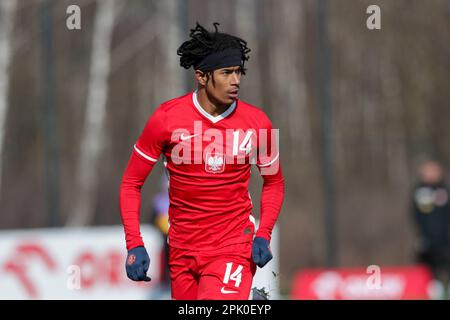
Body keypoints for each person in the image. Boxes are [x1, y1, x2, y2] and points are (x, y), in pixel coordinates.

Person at [119, 22, 285, 300]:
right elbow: (131, 183)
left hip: (233, 244)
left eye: (238, 72)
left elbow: (274, 182)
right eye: (226, 72)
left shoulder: (259, 123)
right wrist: (134, 244)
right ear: (201, 76)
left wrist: (264, 234)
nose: (236, 80)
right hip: (182, 249)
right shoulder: (166, 119)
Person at [411, 159, 450, 286]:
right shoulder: (420, 192)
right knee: (428, 267)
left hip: (444, 237)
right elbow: (416, 214)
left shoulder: (444, 190)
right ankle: (433, 289)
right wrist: (421, 235)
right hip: (427, 237)